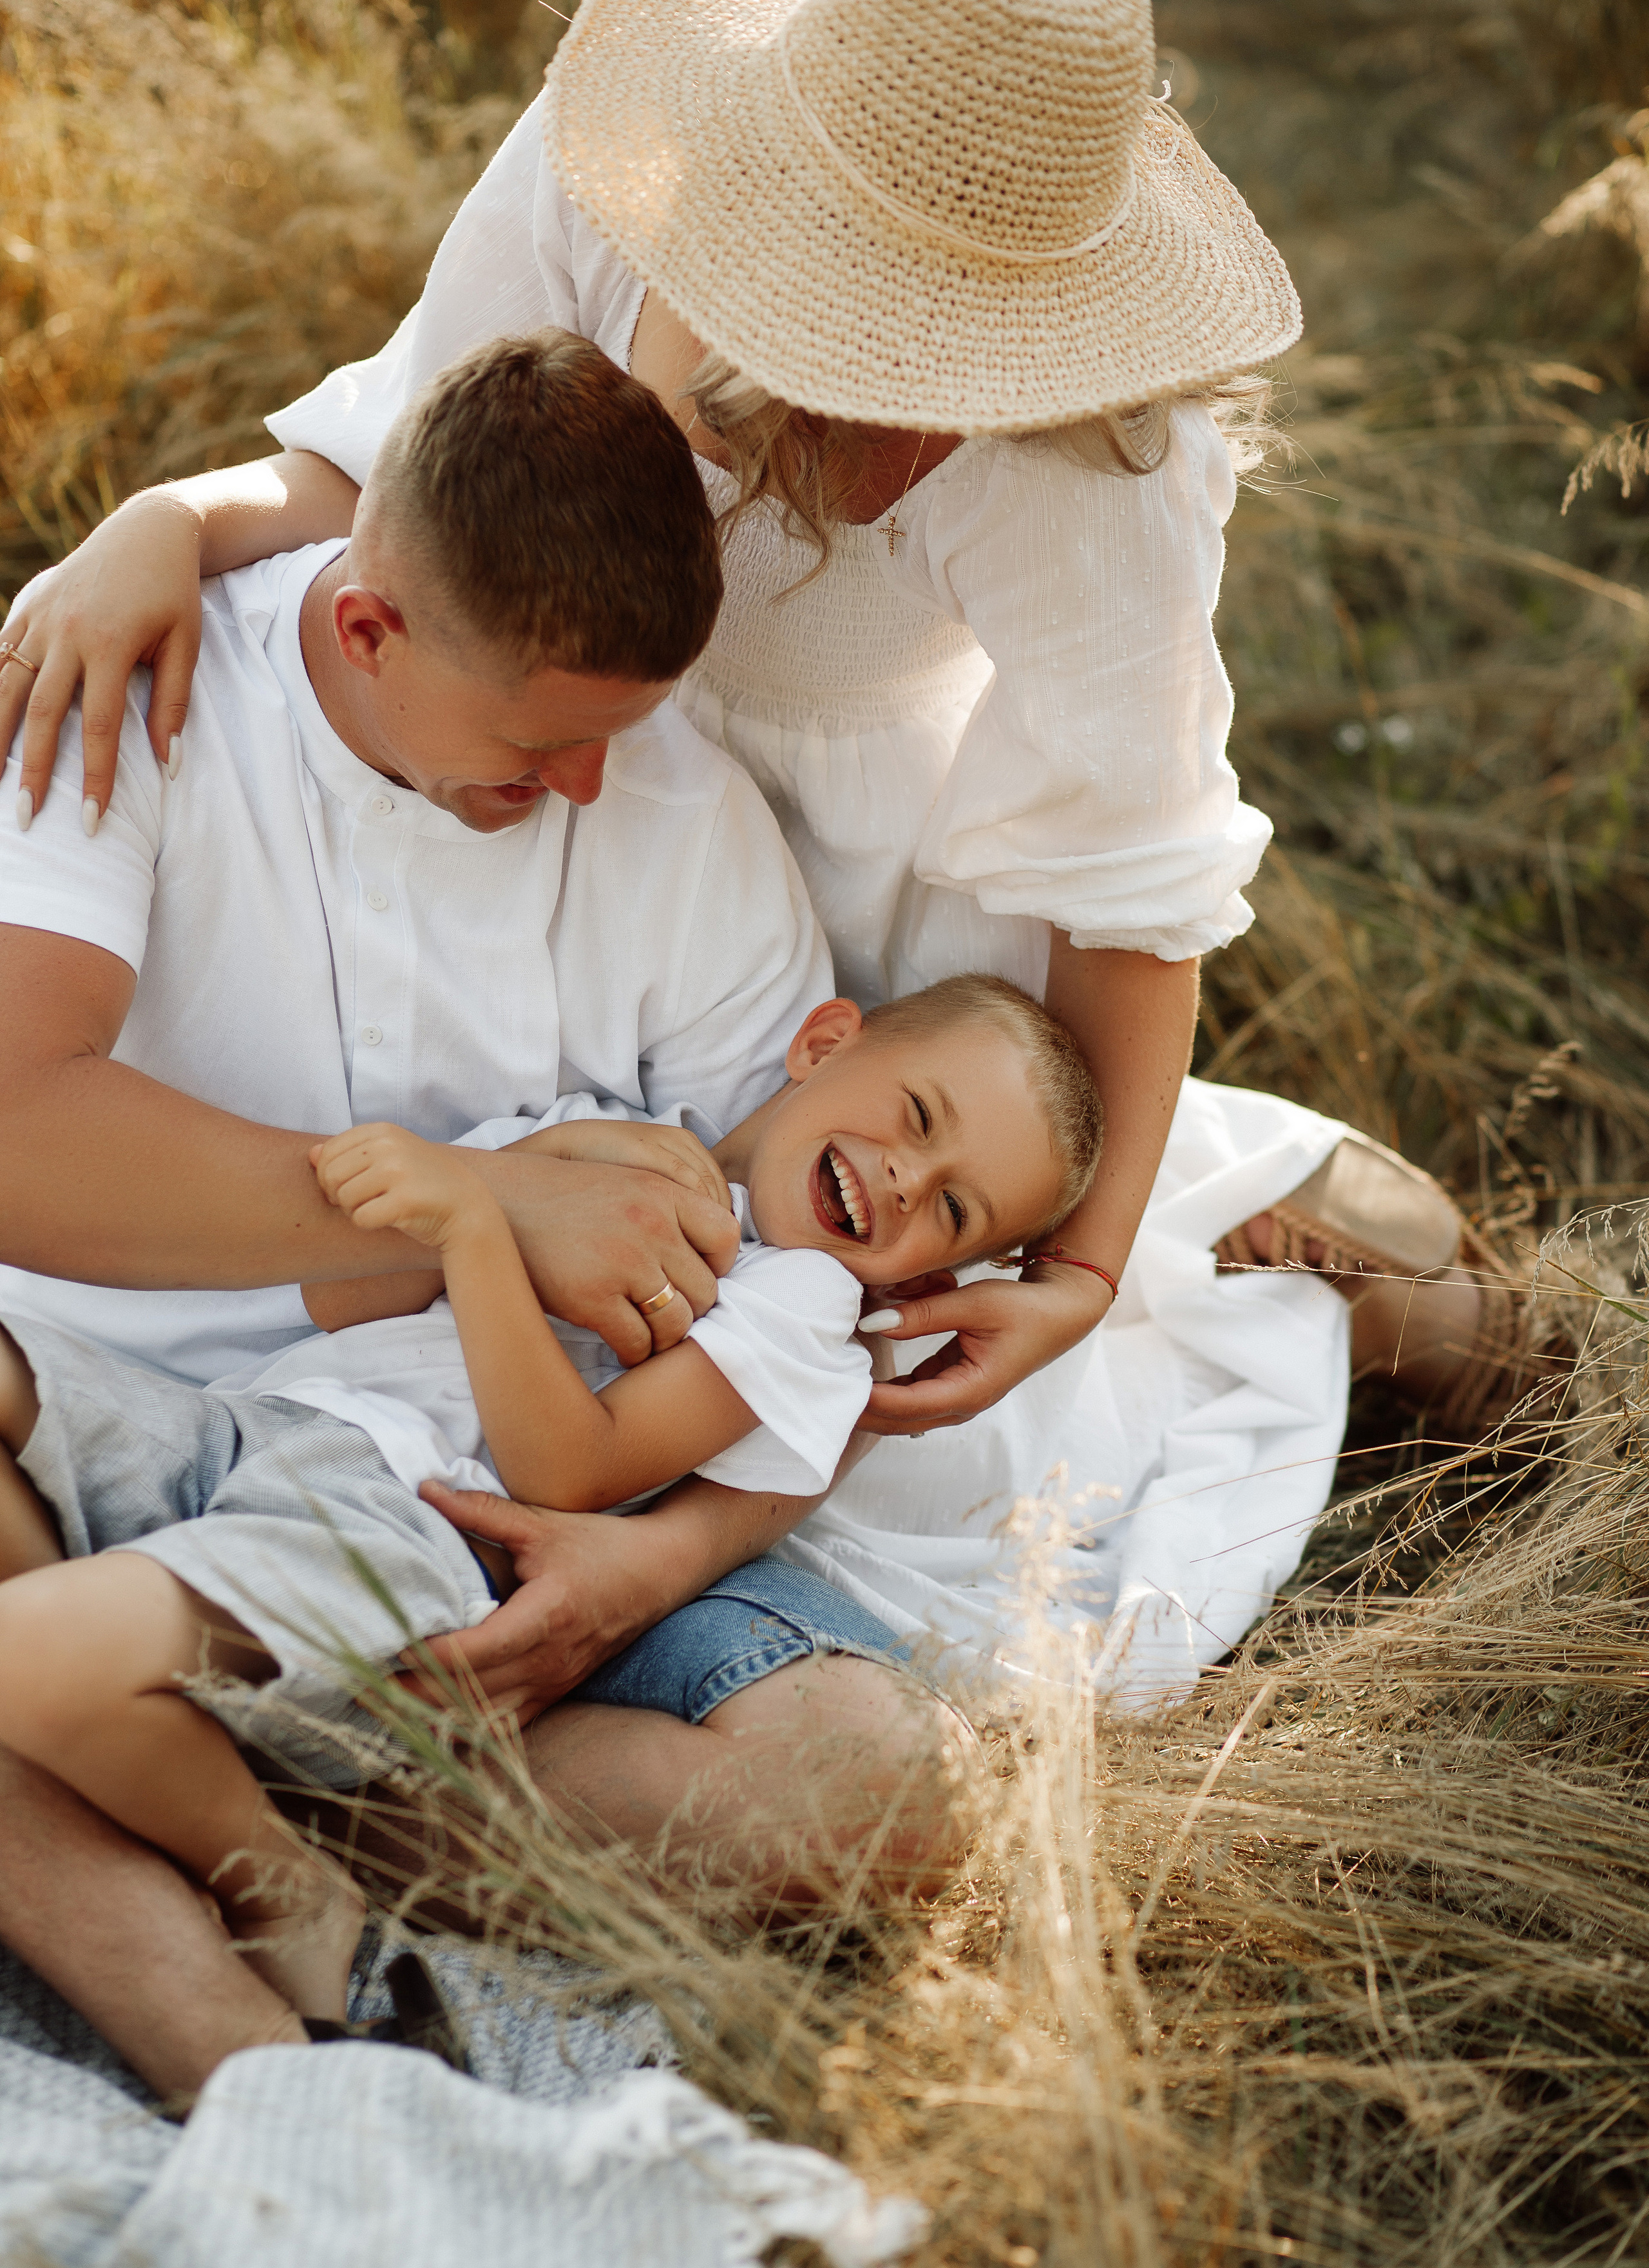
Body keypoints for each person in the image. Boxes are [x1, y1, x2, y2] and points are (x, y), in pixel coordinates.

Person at [0, 0, 1527, 1711]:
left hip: (852, 893)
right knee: (582, 1216)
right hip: (559, 776)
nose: (902, 462)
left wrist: (1083, 1273)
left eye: (969, 387)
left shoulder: (1104, 470)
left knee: (885, 1354)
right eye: (879, 369)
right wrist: (171, 524)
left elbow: (1130, 891)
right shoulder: (621, 178)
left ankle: (1255, 1253)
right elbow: (416, 473)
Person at [0, 329, 995, 2100]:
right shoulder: (136, 692)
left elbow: (800, 1297)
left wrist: (659, 1559)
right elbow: (17, 1131)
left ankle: (198, 1783)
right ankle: (236, 2027)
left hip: (470, 1489)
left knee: (874, 1796)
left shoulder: (676, 816)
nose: (592, 789)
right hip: (93, 1399)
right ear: (370, 628)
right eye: (538, 750)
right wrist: (478, 1220)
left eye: (619, 735)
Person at [0, 976, 1099, 2054]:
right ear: (823, 1042)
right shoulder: (607, 1134)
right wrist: (477, 1187)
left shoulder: (804, 1311)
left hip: (404, 1514)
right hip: (250, 1425)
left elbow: (571, 1466)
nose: (908, 1178)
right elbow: (349, 1287)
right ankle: (183, 1756)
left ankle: (284, 1891)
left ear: (945, 1269)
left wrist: (478, 1227)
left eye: (953, 1208)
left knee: (34, 1660)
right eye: (916, 1117)